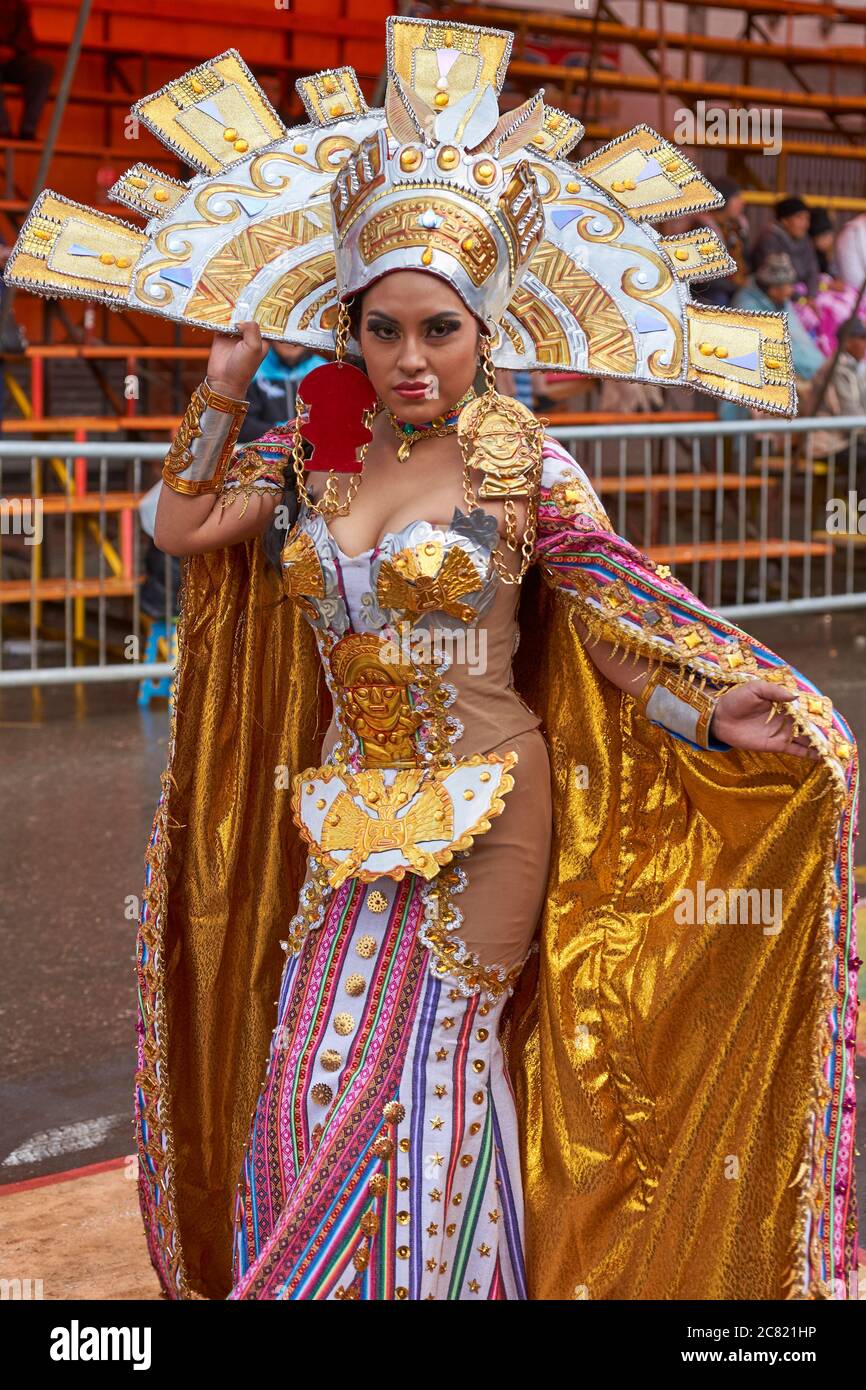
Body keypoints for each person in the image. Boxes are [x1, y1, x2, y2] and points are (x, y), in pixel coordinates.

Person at [3, 16, 859, 1302]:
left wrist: (708, 716)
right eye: (384, 330)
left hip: (491, 810)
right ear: (349, 328)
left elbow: (614, 628)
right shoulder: (309, 455)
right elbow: (177, 524)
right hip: (342, 814)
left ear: (484, 328)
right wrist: (225, 381)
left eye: (440, 331)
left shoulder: (529, 464)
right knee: (308, 1068)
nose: (410, 360)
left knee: (436, 1071)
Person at [237, 340, 328, 444]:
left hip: (313, 454)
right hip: (265, 455)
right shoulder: (254, 369)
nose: (290, 341)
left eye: (299, 331)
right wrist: (286, 431)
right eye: (287, 333)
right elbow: (242, 427)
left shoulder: (323, 370)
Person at [0, 1, 53, 142]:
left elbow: (25, 36)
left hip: (12, 56)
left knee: (42, 69)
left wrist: (15, 50)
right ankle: (2, 128)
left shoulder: (15, 4)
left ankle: (28, 129)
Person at [749, 194, 820, 299]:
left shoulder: (805, 239)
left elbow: (813, 270)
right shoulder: (769, 239)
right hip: (776, 297)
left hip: (803, 293)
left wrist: (811, 296)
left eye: (807, 219)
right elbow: (775, 281)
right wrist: (801, 299)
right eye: (799, 218)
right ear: (784, 220)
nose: (805, 224)